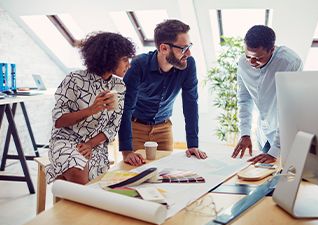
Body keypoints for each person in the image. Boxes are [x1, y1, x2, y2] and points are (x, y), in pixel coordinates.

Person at [45, 32, 135, 184]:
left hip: (95, 145)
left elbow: (113, 127)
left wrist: (90, 145)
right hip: (65, 141)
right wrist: (91, 110)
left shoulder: (119, 86)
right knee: (78, 172)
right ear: (109, 58)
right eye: (125, 59)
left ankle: (70, 198)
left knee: (91, 181)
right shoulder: (74, 79)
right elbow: (59, 121)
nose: (129, 64)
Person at [118, 19, 207, 166]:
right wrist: (126, 150)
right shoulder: (138, 65)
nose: (189, 53)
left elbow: (190, 103)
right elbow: (126, 107)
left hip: (164, 128)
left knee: (165, 173)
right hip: (136, 128)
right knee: (135, 174)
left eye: (189, 46)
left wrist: (192, 144)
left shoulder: (188, 65)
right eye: (184, 48)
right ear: (164, 48)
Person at [232, 25, 303, 164]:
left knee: (288, 175)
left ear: (272, 49)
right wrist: (245, 133)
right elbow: (244, 100)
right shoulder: (242, 64)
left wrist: (276, 149)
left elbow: (289, 108)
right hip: (264, 132)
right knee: (263, 173)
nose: (251, 62)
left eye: (258, 58)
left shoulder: (290, 63)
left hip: (287, 133)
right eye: (248, 56)